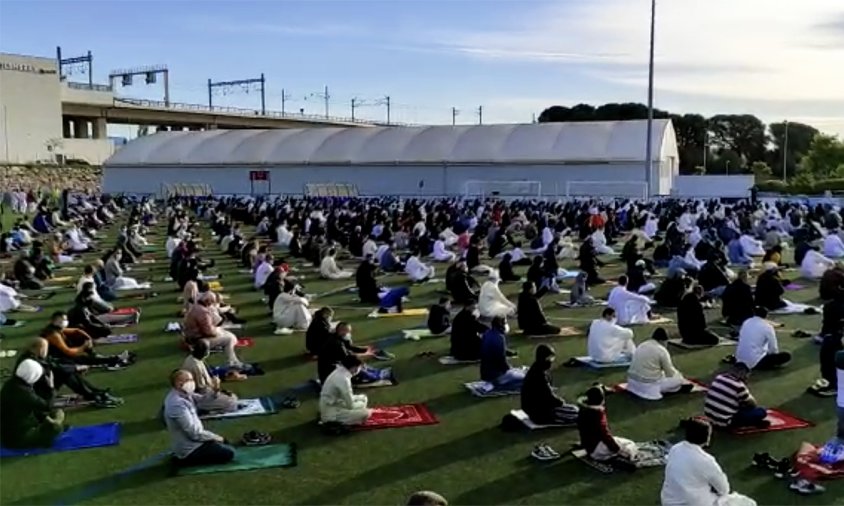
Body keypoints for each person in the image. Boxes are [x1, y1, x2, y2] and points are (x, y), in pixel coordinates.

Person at [661, 417, 757, 506]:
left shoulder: (675, 448)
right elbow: (724, 489)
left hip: (668, 501)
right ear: (707, 438)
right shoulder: (705, 460)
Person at [163, 369, 236, 468]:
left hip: (197, 441)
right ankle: (183, 461)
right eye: (189, 380)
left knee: (224, 446)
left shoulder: (186, 395)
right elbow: (194, 433)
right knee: (229, 453)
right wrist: (216, 437)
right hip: (190, 448)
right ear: (179, 384)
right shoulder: (176, 404)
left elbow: (203, 400)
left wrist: (215, 389)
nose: (192, 382)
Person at [0, 359, 65, 449]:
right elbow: (47, 406)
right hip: (19, 439)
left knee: (47, 415)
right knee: (57, 423)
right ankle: (45, 438)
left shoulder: (10, 384)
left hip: (6, 434)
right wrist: (51, 388)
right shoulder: (24, 392)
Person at [41, 311, 130, 369]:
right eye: (63, 320)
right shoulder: (53, 334)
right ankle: (115, 359)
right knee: (83, 359)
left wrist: (89, 339)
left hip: (61, 354)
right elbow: (68, 351)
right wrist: (83, 347)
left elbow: (77, 331)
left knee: (80, 338)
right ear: (55, 321)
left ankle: (97, 357)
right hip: (57, 359)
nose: (65, 321)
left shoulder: (56, 328)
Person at [520, 344, 578, 425]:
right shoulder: (539, 375)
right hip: (539, 413)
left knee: (573, 409)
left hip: (534, 409)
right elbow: (549, 397)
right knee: (574, 412)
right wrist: (561, 402)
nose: (551, 361)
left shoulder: (536, 369)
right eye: (549, 358)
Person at [627, 328, 691, 400]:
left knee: (661, 374)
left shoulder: (642, 344)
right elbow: (670, 373)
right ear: (662, 341)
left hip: (632, 383)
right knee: (679, 379)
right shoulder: (661, 350)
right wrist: (679, 375)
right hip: (648, 386)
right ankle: (676, 389)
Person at [577, 386, 637, 462]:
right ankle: (623, 459)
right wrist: (617, 450)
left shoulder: (583, 411)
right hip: (597, 450)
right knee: (630, 445)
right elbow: (605, 435)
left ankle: (611, 456)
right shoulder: (597, 415)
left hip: (589, 448)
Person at [183, 293, 242, 367]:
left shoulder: (196, 306)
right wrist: (216, 333)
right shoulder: (203, 312)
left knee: (225, 333)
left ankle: (232, 360)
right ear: (208, 301)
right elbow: (208, 331)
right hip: (198, 340)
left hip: (192, 335)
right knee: (229, 339)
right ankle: (232, 361)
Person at [704, 363, 769, 429]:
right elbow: (752, 404)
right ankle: (753, 423)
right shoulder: (739, 386)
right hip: (725, 422)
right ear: (742, 374)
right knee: (761, 411)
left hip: (710, 418)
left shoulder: (719, 377)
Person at [181, 340, 239, 414]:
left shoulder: (192, 359)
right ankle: (206, 410)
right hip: (199, 398)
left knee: (231, 396)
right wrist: (217, 387)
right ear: (206, 352)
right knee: (232, 402)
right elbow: (201, 390)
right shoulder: (196, 366)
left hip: (201, 394)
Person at [319, 354, 372, 426]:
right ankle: (334, 422)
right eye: (359, 367)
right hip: (332, 413)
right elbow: (351, 406)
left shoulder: (338, 371)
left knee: (363, 398)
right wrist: (361, 405)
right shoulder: (344, 380)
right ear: (354, 368)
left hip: (334, 404)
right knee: (366, 413)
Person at [480, 316, 523, 388]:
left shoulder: (487, 333)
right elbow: (501, 361)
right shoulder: (500, 337)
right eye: (505, 323)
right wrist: (510, 369)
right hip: (497, 376)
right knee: (525, 378)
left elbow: (494, 350)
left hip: (485, 375)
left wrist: (509, 353)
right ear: (501, 325)